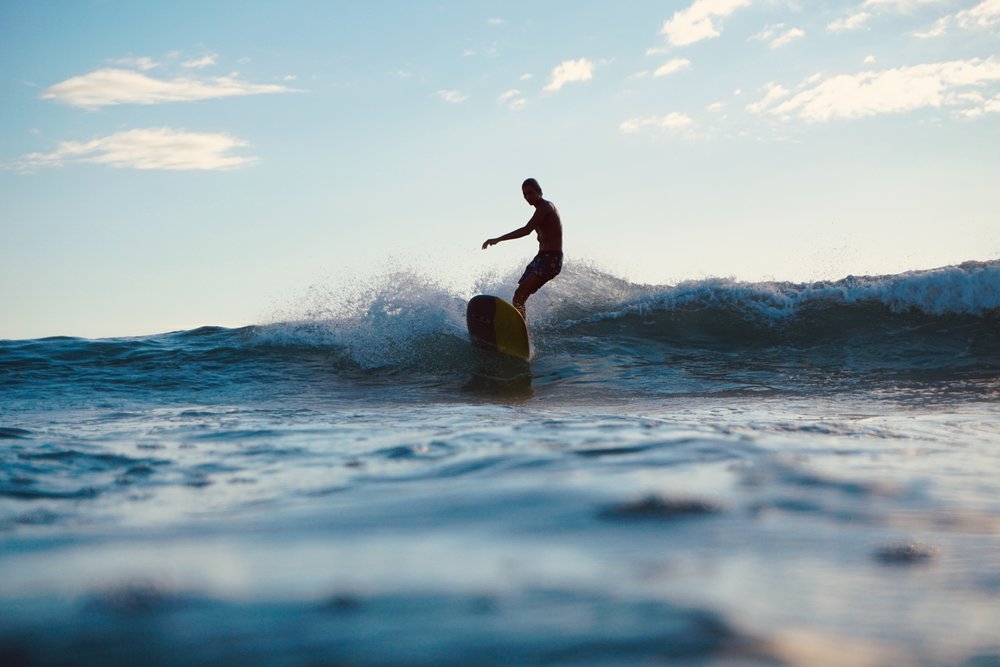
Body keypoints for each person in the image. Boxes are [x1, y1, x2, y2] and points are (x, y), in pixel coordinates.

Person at [482, 178, 563, 321]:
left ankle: (521, 329)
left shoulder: (546, 207)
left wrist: (498, 239)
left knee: (520, 294)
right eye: (524, 194)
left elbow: (526, 230)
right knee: (518, 296)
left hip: (551, 259)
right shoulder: (539, 209)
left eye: (530, 193)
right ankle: (521, 329)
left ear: (539, 192)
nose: (527, 197)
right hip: (541, 258)